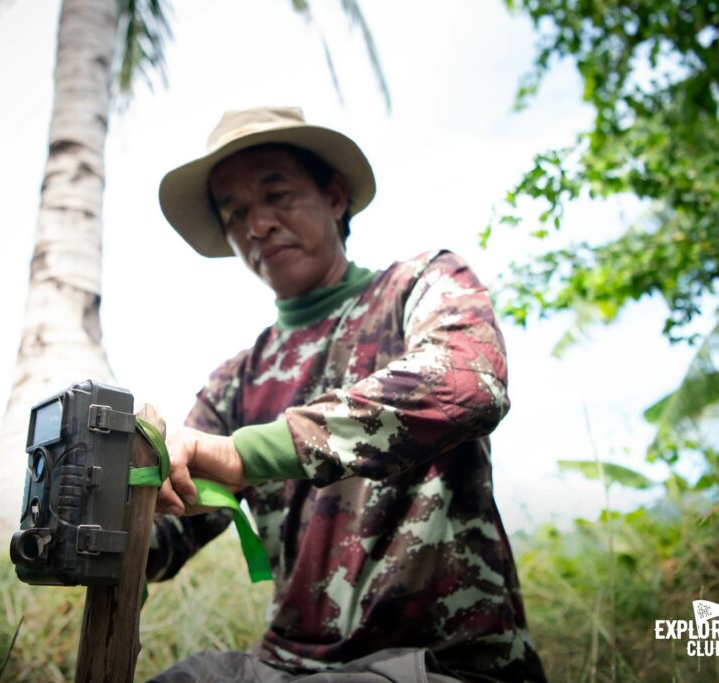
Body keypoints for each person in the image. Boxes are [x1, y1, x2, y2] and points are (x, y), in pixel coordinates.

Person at [146, 106, 547, 683]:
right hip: (289, 667)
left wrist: (244, 454)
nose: (257, 226)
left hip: (446, 663)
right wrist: (109, 500)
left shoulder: (419, 286)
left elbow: (469, 383)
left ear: (335, 196)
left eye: (277, 195)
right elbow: (170, 528)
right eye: (235, 214)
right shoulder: (236, 381)